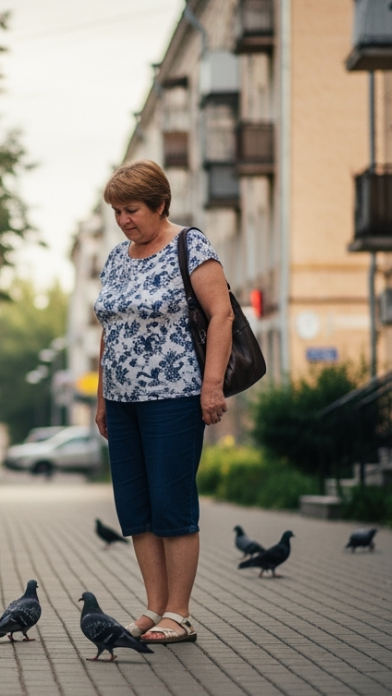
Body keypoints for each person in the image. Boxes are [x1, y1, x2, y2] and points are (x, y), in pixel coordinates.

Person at [92, 159, 233, 645]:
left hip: (175, 396)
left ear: (160, 204)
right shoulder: (116, 257)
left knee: (172, 503)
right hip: (122, 400)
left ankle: (180, 612)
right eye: (116, 211)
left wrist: (211, 385)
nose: (123, 220)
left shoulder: (190, 246)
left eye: (131, 210)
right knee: (136, 507)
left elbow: (221, 316)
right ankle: (154, 607)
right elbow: (109, 330)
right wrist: (102, 398)